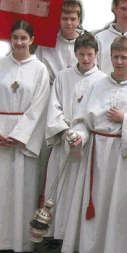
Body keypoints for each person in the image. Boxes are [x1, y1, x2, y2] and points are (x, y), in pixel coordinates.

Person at [61, 36, 127, 253]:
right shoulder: (97, 86)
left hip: (123, 157)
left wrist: (126, 119)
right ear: (109, 57)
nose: (119, 62)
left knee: (118, 205)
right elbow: (82, 121)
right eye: (115, 57)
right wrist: (79, 137)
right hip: (96, 151)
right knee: (96, 203)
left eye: (124, 57)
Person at [0, 20, 50, 253]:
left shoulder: (39, 69)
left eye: (23, 38)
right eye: (15, 37)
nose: (19, 42)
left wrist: (20, 135)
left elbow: (40, 106)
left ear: (32, 40)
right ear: (10, 38)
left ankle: (21, 243)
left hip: (23, 138)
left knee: (23, 189)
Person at [42, 33, 106, 240]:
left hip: (85, 144)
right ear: (75, 53)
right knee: (58, 185)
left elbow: (99, 114)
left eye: (89, 54)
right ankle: (55, 233)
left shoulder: (102, 80)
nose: (86, 59)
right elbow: (54, 106)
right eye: (81, 54)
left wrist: (81, 135)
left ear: (96, 54)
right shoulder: (63, 76)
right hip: (63, 139)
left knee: (79, 190)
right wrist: (62, 132)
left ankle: (76, 237)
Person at [35, 0, 84, 84]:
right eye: (65, 19)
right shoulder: (46, 44)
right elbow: (36, 70)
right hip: (51, 91)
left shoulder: (88, 43)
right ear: (59, 20)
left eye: (72, 19)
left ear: (78, 21)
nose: (68, 23)